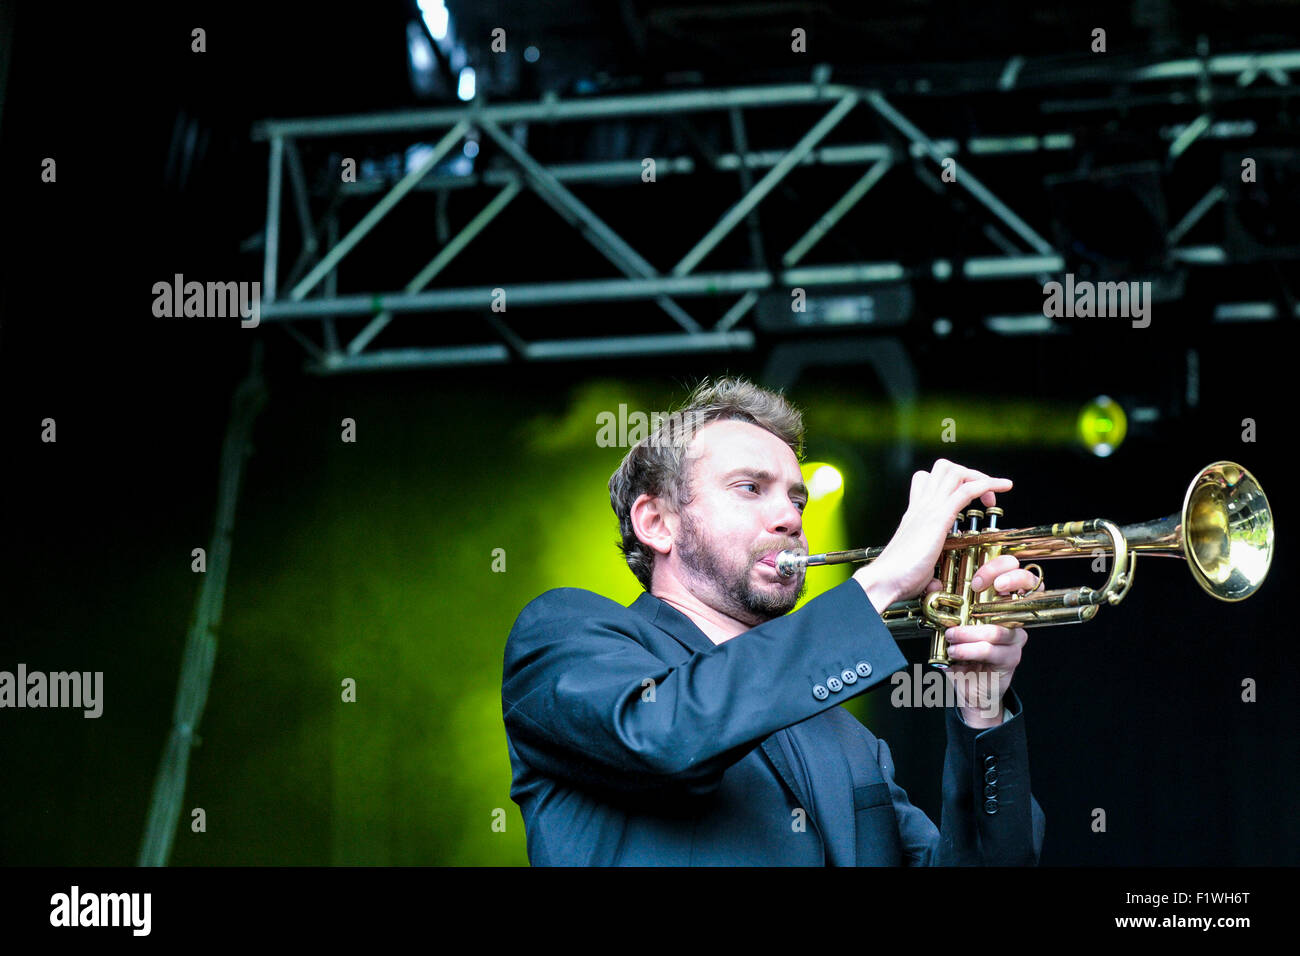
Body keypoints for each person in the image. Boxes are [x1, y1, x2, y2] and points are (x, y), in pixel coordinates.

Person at [501, 377, 1045, 865]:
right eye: (749, 488)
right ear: (657, 522)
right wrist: (882, 581)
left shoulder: (849, 740)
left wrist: (983, 711)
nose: (790, 518)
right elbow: (664, 736)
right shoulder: (562, 634)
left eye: (797, 499)